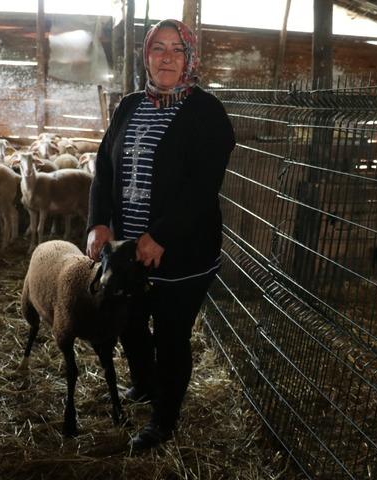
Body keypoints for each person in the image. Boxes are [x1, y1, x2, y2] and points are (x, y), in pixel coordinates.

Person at [86, 18, 235, 451]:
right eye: (158, 49)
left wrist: (161, 235)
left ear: (190, 57)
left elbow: (202, 186)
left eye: (177, 49)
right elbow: (104, 168)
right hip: (128, 249)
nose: (167, 57)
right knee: (130, 323)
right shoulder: (129, 106)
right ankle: (145, 384)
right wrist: (99, 221)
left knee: (171, 336)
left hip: (183, 252)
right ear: (146, 56)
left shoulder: (207, 114)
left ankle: (163, 420)